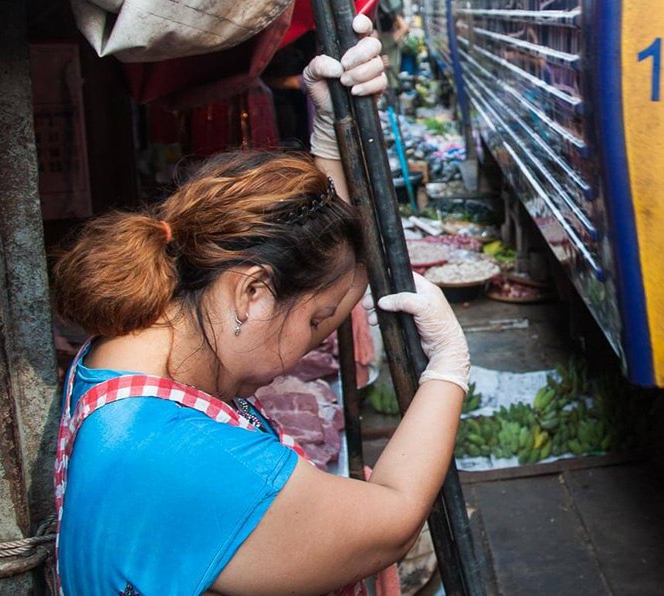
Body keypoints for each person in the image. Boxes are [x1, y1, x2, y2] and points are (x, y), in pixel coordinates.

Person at [50, 15, 470, 595]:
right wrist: (448, 369)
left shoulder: (142, 339)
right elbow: (394, 520)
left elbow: (308, 266)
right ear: (250, 291)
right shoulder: (180, 456)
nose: (317, 340)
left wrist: (333, 141)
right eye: (320, 322)